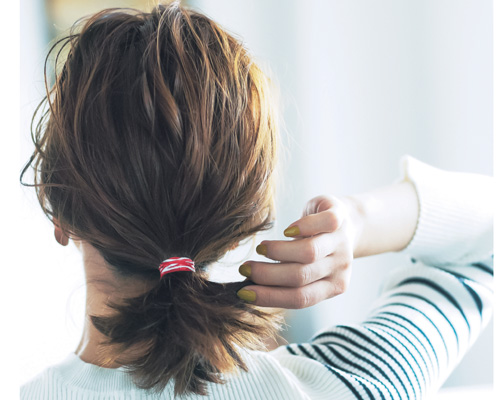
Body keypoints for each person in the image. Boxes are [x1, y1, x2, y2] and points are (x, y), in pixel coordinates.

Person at [21, 3, 493, 399]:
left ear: (57, 206)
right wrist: (356, 221)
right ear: (242, 218)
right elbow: (486, 239)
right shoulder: (354, 384)